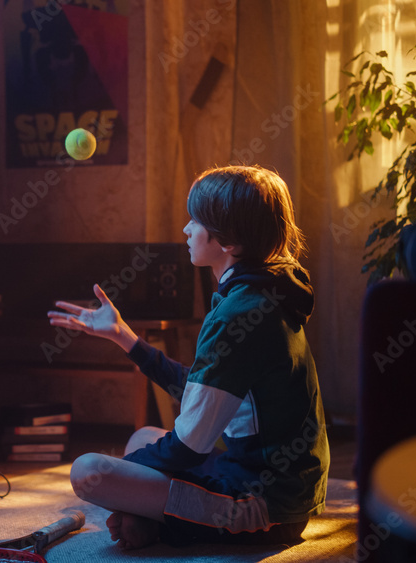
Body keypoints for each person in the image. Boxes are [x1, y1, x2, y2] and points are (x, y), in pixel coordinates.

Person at [48, 165, 329, 550]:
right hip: (266, 481)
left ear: (228, 241)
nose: (186, 229)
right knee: (142, 438)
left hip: (265, 507)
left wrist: (127, 477)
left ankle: (157, 525)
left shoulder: (239, 314)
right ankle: (150, 521)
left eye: (196, 220)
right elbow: (206, 393)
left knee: (89, 472)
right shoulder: (263, 294)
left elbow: (188, 447)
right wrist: (123, 336)